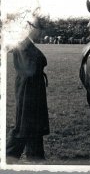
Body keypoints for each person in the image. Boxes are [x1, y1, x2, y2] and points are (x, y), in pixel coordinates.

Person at [6, 19, 49, 163]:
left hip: (32, 89)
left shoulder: (26, 44)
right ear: (32, 28)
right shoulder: (24, 45)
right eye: (40, 29)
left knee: (34, 123)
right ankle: (8, 157)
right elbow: (31, 70)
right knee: (23, 125)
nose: (41, 33)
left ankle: (36, 157)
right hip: (27, 91)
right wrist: (42, 62)